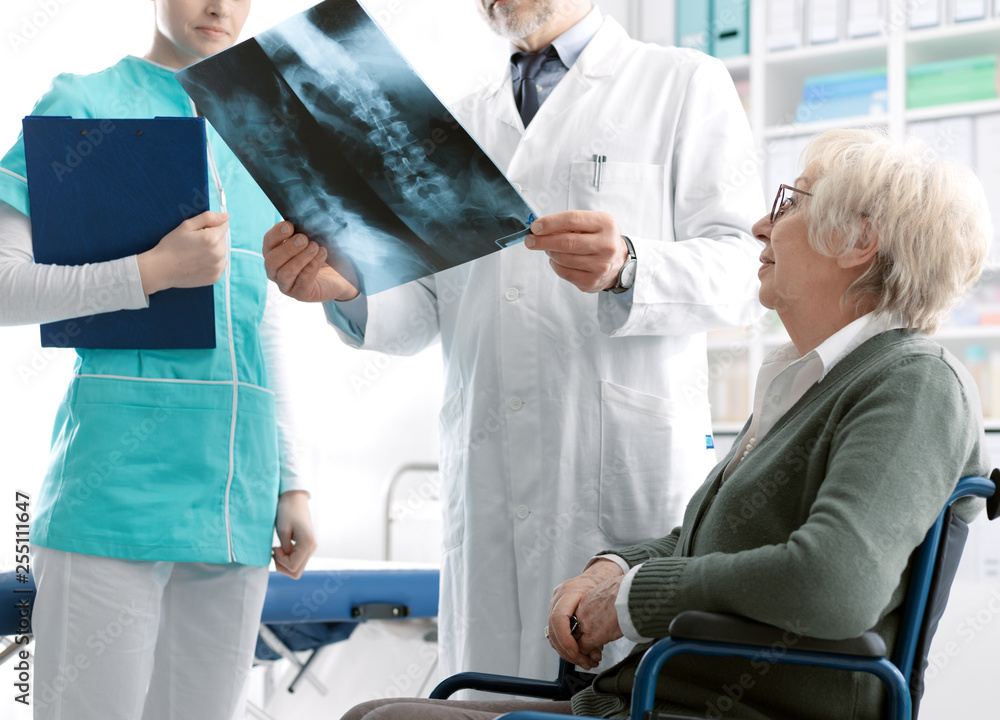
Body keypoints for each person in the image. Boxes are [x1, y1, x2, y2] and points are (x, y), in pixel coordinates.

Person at [338, 127, 993, 719]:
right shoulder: (807, 380)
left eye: (790, 204)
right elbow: (710, 543)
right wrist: (611, 567)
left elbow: (833, 583)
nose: (762, 227)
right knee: (376, 714)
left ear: (859, 242)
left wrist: (634, 596)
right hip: (651, 699)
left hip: (723, 710)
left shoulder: (913, 382)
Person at [262, 0, 764, 683]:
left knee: (619, 692)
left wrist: (631, 265)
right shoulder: (456, 121)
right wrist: (349, 288)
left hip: (620, 485)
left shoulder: (680, 83)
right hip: (488, 480)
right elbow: (427, 310)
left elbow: (744, 267)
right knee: (487, 695)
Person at [0, 1, 316, 718]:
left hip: (235, 493)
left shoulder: (263, 128)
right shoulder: (83, 104)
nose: (219, 6)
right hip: (113, 495)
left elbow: (257, 319)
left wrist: (291, 481)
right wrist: (149, 272)